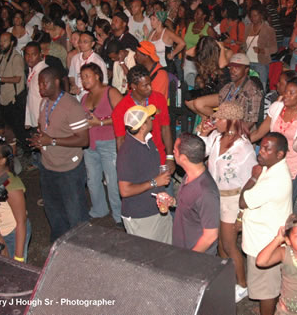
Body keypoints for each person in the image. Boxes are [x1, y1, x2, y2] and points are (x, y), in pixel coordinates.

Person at [198, 101, 257, 300]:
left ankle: (242, 284)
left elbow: (253, 177)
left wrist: (243, 210)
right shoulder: (215, 138)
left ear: (232, 121)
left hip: (233, 200)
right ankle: (227, 279)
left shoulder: (243, 147)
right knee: (221, 244)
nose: (216, 121)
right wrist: (203, 135)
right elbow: (200, 153)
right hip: (217, 197)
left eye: (220, 118)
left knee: (230, 244)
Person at [28, 66, 90, 242]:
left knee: (75, 213)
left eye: (43, 83)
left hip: (69, 169)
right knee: (54, 211)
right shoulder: (44, 103)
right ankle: (60, 245)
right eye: (38, 84)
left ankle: (82, 247)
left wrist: (52, 141)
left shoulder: (72, 106)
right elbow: (46, 128)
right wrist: (40, 139)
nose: (40, 87)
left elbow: (84, 140)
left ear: (56, 82)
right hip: (48, 166)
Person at [239, 132, 293, 315]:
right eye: (260, 146)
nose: (260, 152)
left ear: (280, 154)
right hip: (262, 238)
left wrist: (253, 177)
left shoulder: (274, 180)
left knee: (267, 290)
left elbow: (243, 201)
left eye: (266, 149)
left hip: (264, 242)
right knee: (266, 287)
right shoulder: (271, 168)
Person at [251, 75, 297, 211]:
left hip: (292, 169)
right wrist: (239, 142)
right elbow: (259, 133)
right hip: (271, 165)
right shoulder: (276, 108)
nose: (286, 95)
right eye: (286, 91)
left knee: (282, 208)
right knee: (265, 204)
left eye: (291, 93)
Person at [117, 105, 172, 243]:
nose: (153, 118)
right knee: (147, 259)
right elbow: (124, 190)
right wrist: (155, 182)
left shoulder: (148, 141)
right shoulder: (127, 152)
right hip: (141, 216)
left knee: (167, 253)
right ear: (142, 127)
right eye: (149, 117)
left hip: (158, 208)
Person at [156, 134, 219, 254]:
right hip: (183, 246)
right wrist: (172, 202)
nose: (173, 151)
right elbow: (191, 206)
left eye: (175, 150)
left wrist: (189, 257)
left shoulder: (206, 192)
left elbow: (211, 236)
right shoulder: (189, 175)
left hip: (197, 257)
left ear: (184, 158)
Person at [80, 63, 123, 224]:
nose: (84, 80)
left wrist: (101, 123)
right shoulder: (85, 98)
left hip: (109, 143)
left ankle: (119, 215)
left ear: (97, 75)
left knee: (113, 181)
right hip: (90, 144)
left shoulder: (110, 92)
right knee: (93, 179)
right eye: (82, 77)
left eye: (87, 76)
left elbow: (124, 116)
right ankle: (99, 209)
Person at [111, 65, 175, 170]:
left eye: (150, 84)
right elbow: (121, 140)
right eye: (145, 85)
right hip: (137, 161)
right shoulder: (121, 109)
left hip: (160, 157)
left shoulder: (158, 98)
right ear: (133, 86)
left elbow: (165, 128)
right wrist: (125, 165)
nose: (150, 88)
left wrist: (169, 157)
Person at [0, 140, 31, 262]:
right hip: (1, 231)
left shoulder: (12, 185)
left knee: (15, 272)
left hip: (14, 234)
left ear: (2, 161)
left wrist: (19, 257)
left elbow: (21, 222)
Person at [0, 32, 26, 146]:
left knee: (18, 127)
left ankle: (26, 149)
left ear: (11, 43)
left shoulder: (16, 58)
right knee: (9, 126)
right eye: (0, 41)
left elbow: (18, 79)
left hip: (13, 99)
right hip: (3, 97)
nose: (1, 43)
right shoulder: (2, 56)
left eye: (4, 41)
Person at [217, 53, 264, 129]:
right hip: (224, 125)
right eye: (231, 67)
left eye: (237, 68)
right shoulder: (227, 87)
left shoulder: (252, 91)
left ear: (246, 70)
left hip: (240, 130)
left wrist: (233, 135)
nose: (232, 70)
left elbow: (250, 121)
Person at [68, 31, 108, 99]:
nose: (81, 44)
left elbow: (104, 83)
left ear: (92, 44)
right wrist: (74, 85)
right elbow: (71, 76)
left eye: (85, 42)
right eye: (80, 41)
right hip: (77, 97)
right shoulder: (75, 58)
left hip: (91, 97)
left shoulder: (98, 61)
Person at [23, 42, 47, 136]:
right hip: (34, 118)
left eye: (33, 54)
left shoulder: (44, 72)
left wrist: (42, 120)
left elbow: (47, 99)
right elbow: (31, 97)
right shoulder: (31, 70)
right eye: (27, 54)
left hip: (42, 120)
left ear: (40, 54)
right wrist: (28, 119)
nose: (30, 57)